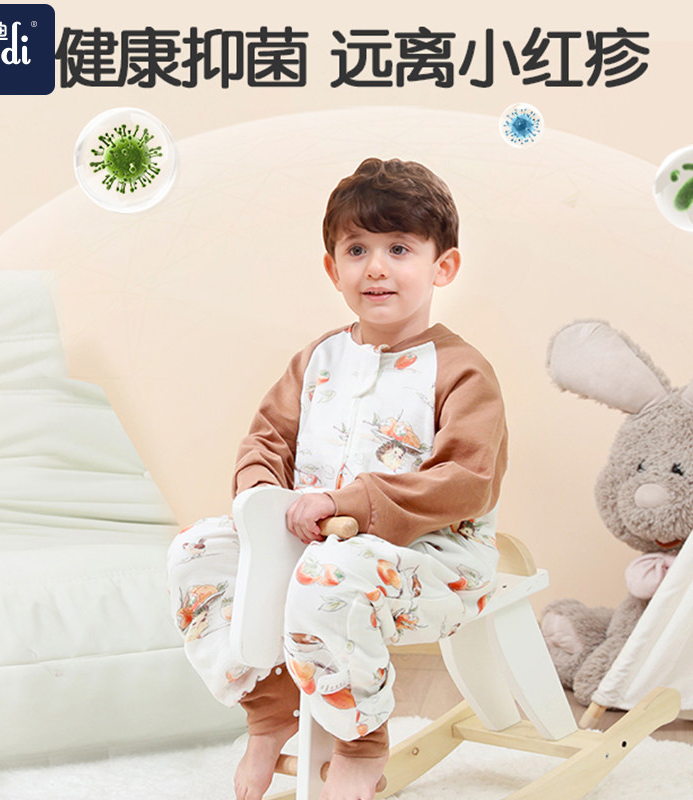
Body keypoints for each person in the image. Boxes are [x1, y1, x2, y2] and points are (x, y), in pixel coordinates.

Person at [168, 157, 508, 800]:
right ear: (333, 269)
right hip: (313, 544)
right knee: (196, 551)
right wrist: (262, 498)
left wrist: (347, 501)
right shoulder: (319, 358)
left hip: (431, 558)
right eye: (357, 250)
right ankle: (270, 706)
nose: (376, 267)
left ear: (443, 267)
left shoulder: (461, 370)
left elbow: (466, 479)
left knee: (331, 579)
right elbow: (266, 438)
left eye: (399, 248)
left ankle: (360, 737)